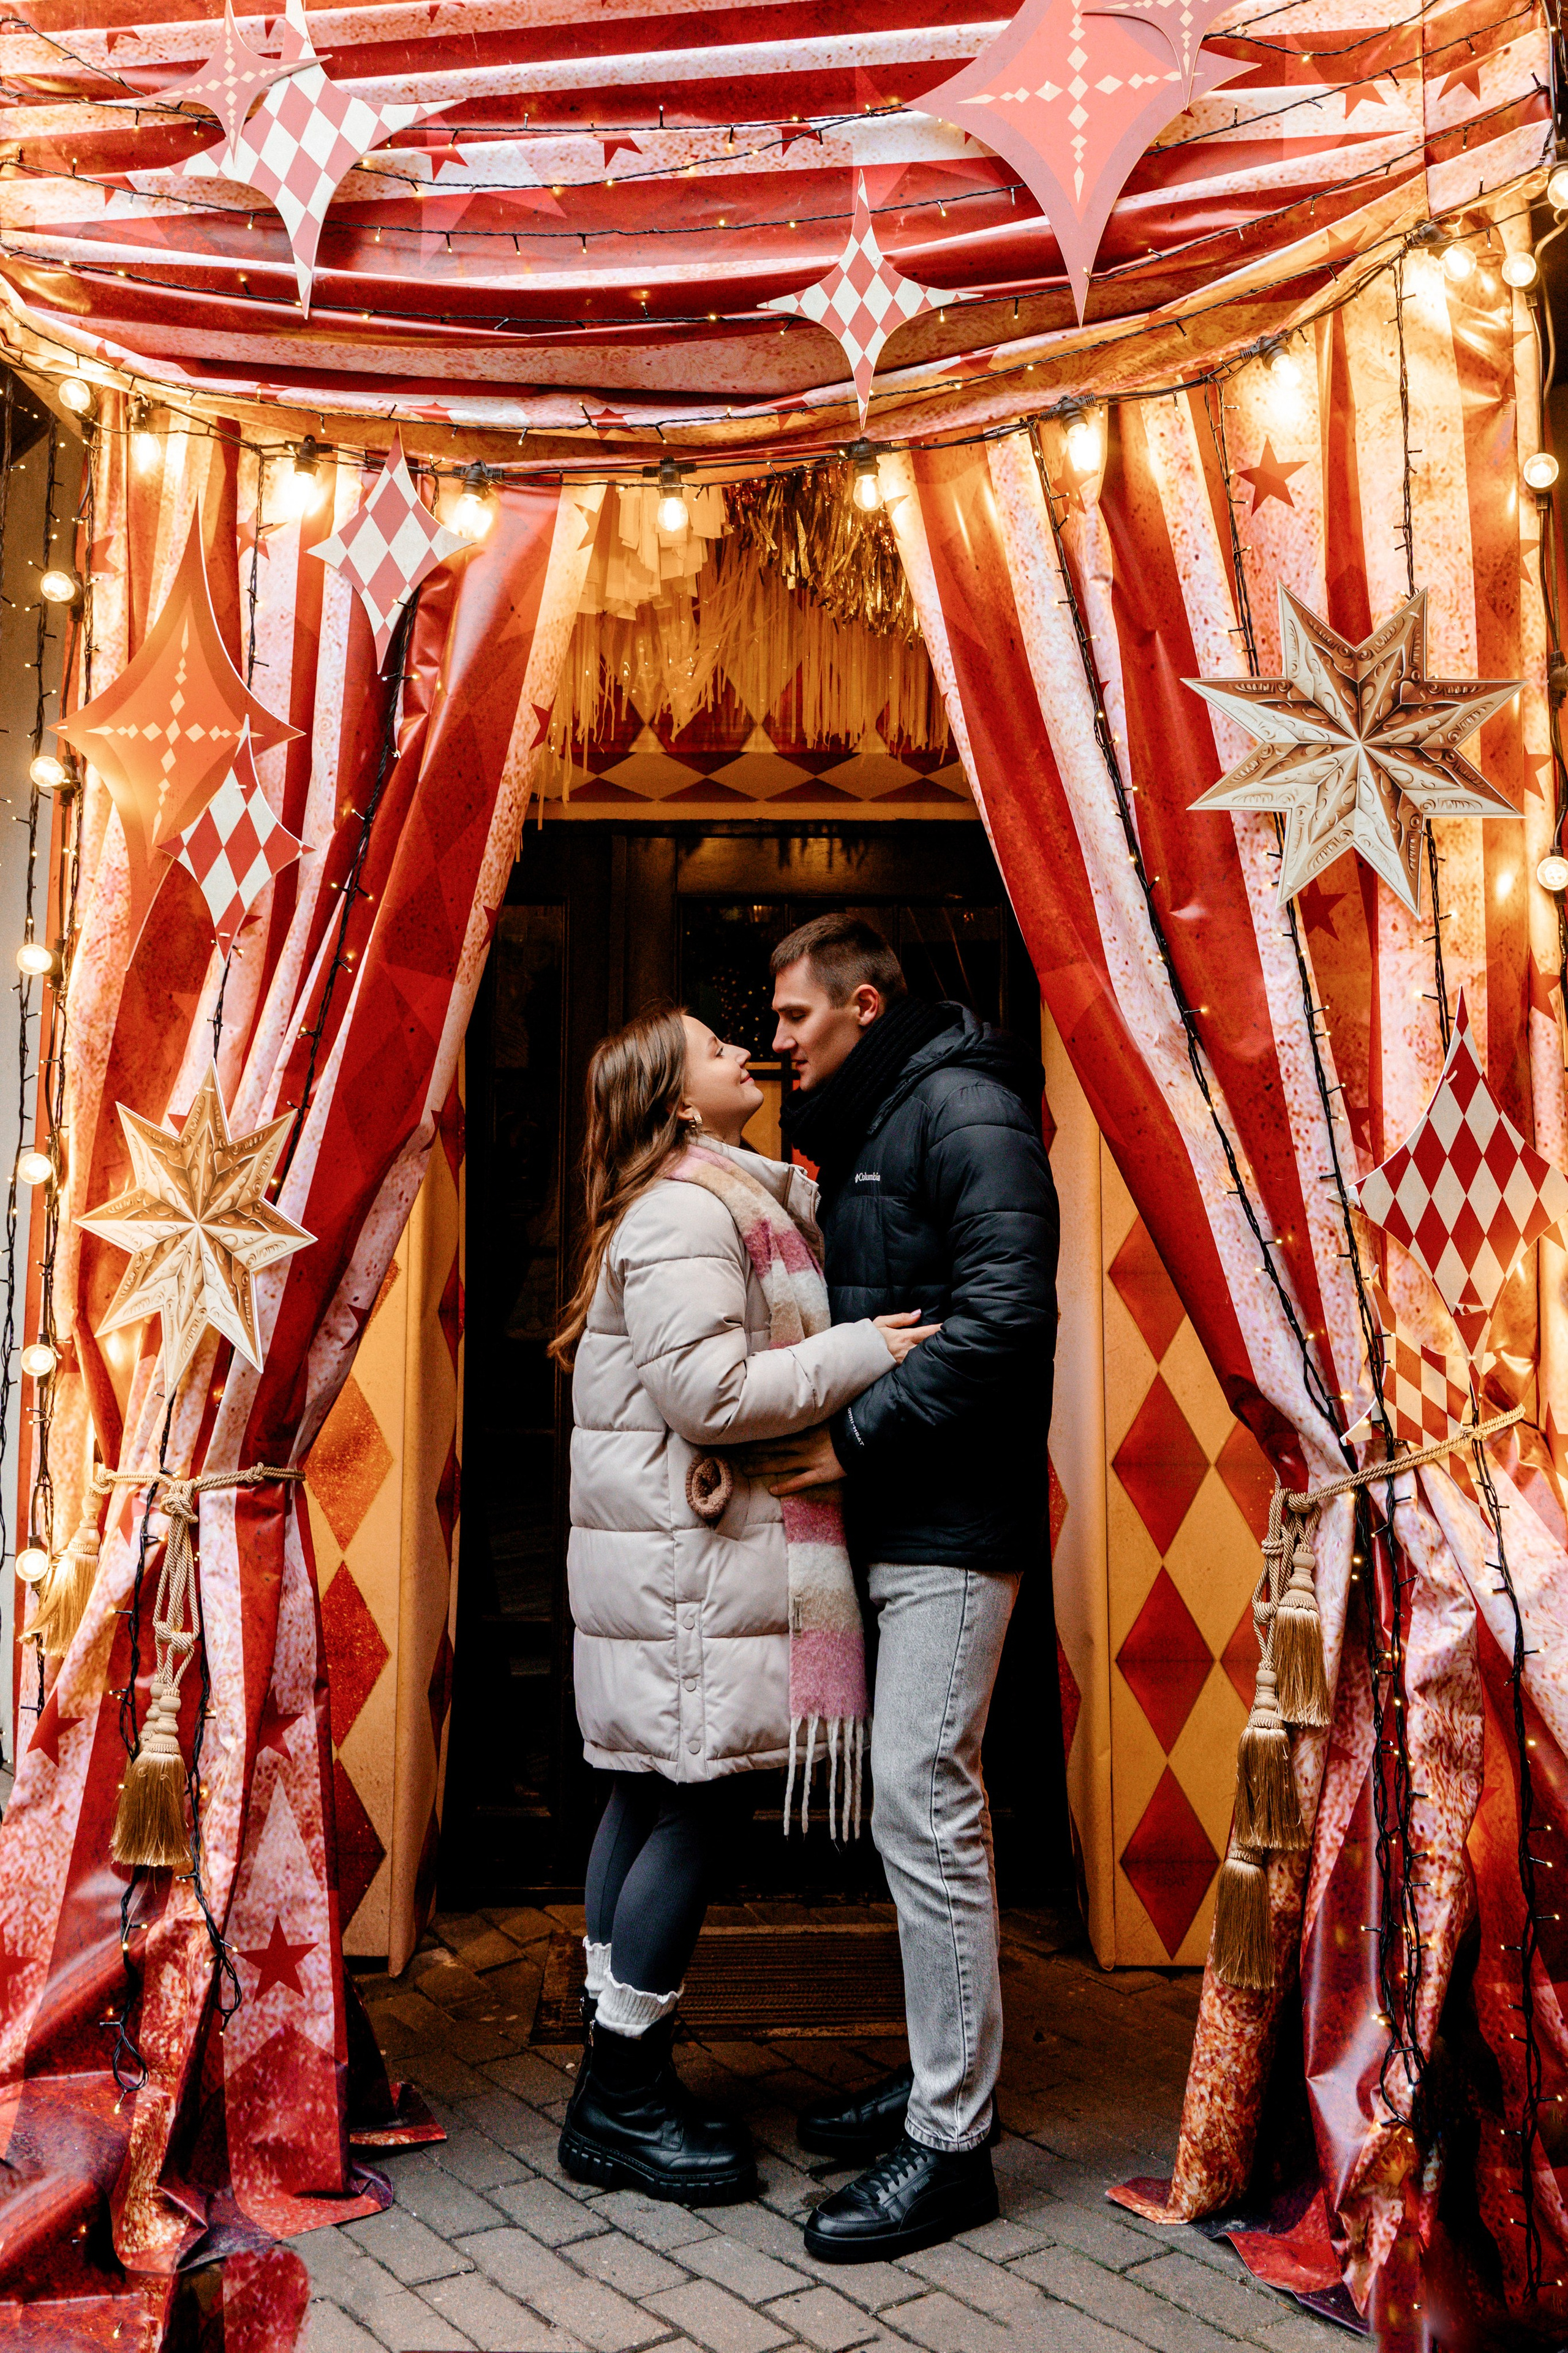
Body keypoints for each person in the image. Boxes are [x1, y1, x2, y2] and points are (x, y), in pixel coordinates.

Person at [549, 1005, 937, 2206]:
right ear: (676, 1100)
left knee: (645, 1791)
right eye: (718, 1050)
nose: (743, 1058)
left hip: (673, 1566)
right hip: (686, 1575)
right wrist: (865, 1346)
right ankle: (621, 2096)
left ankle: (617, 2086)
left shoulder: (707, 1201)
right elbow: (711, 1393)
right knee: (690, 1809)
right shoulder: (684, 1212)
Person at [752, 913, 1059, 2262]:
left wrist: (849, 1438)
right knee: (912, 1812)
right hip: (901, 1520)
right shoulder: (886, 1118)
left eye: (793, 1019)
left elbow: (1003, 1319)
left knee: (925, 1805)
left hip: (948, 1522)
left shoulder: (965, 1107)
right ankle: (941, 2079)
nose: (775, 1041)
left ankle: (949, 2145)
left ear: (865, 1006)